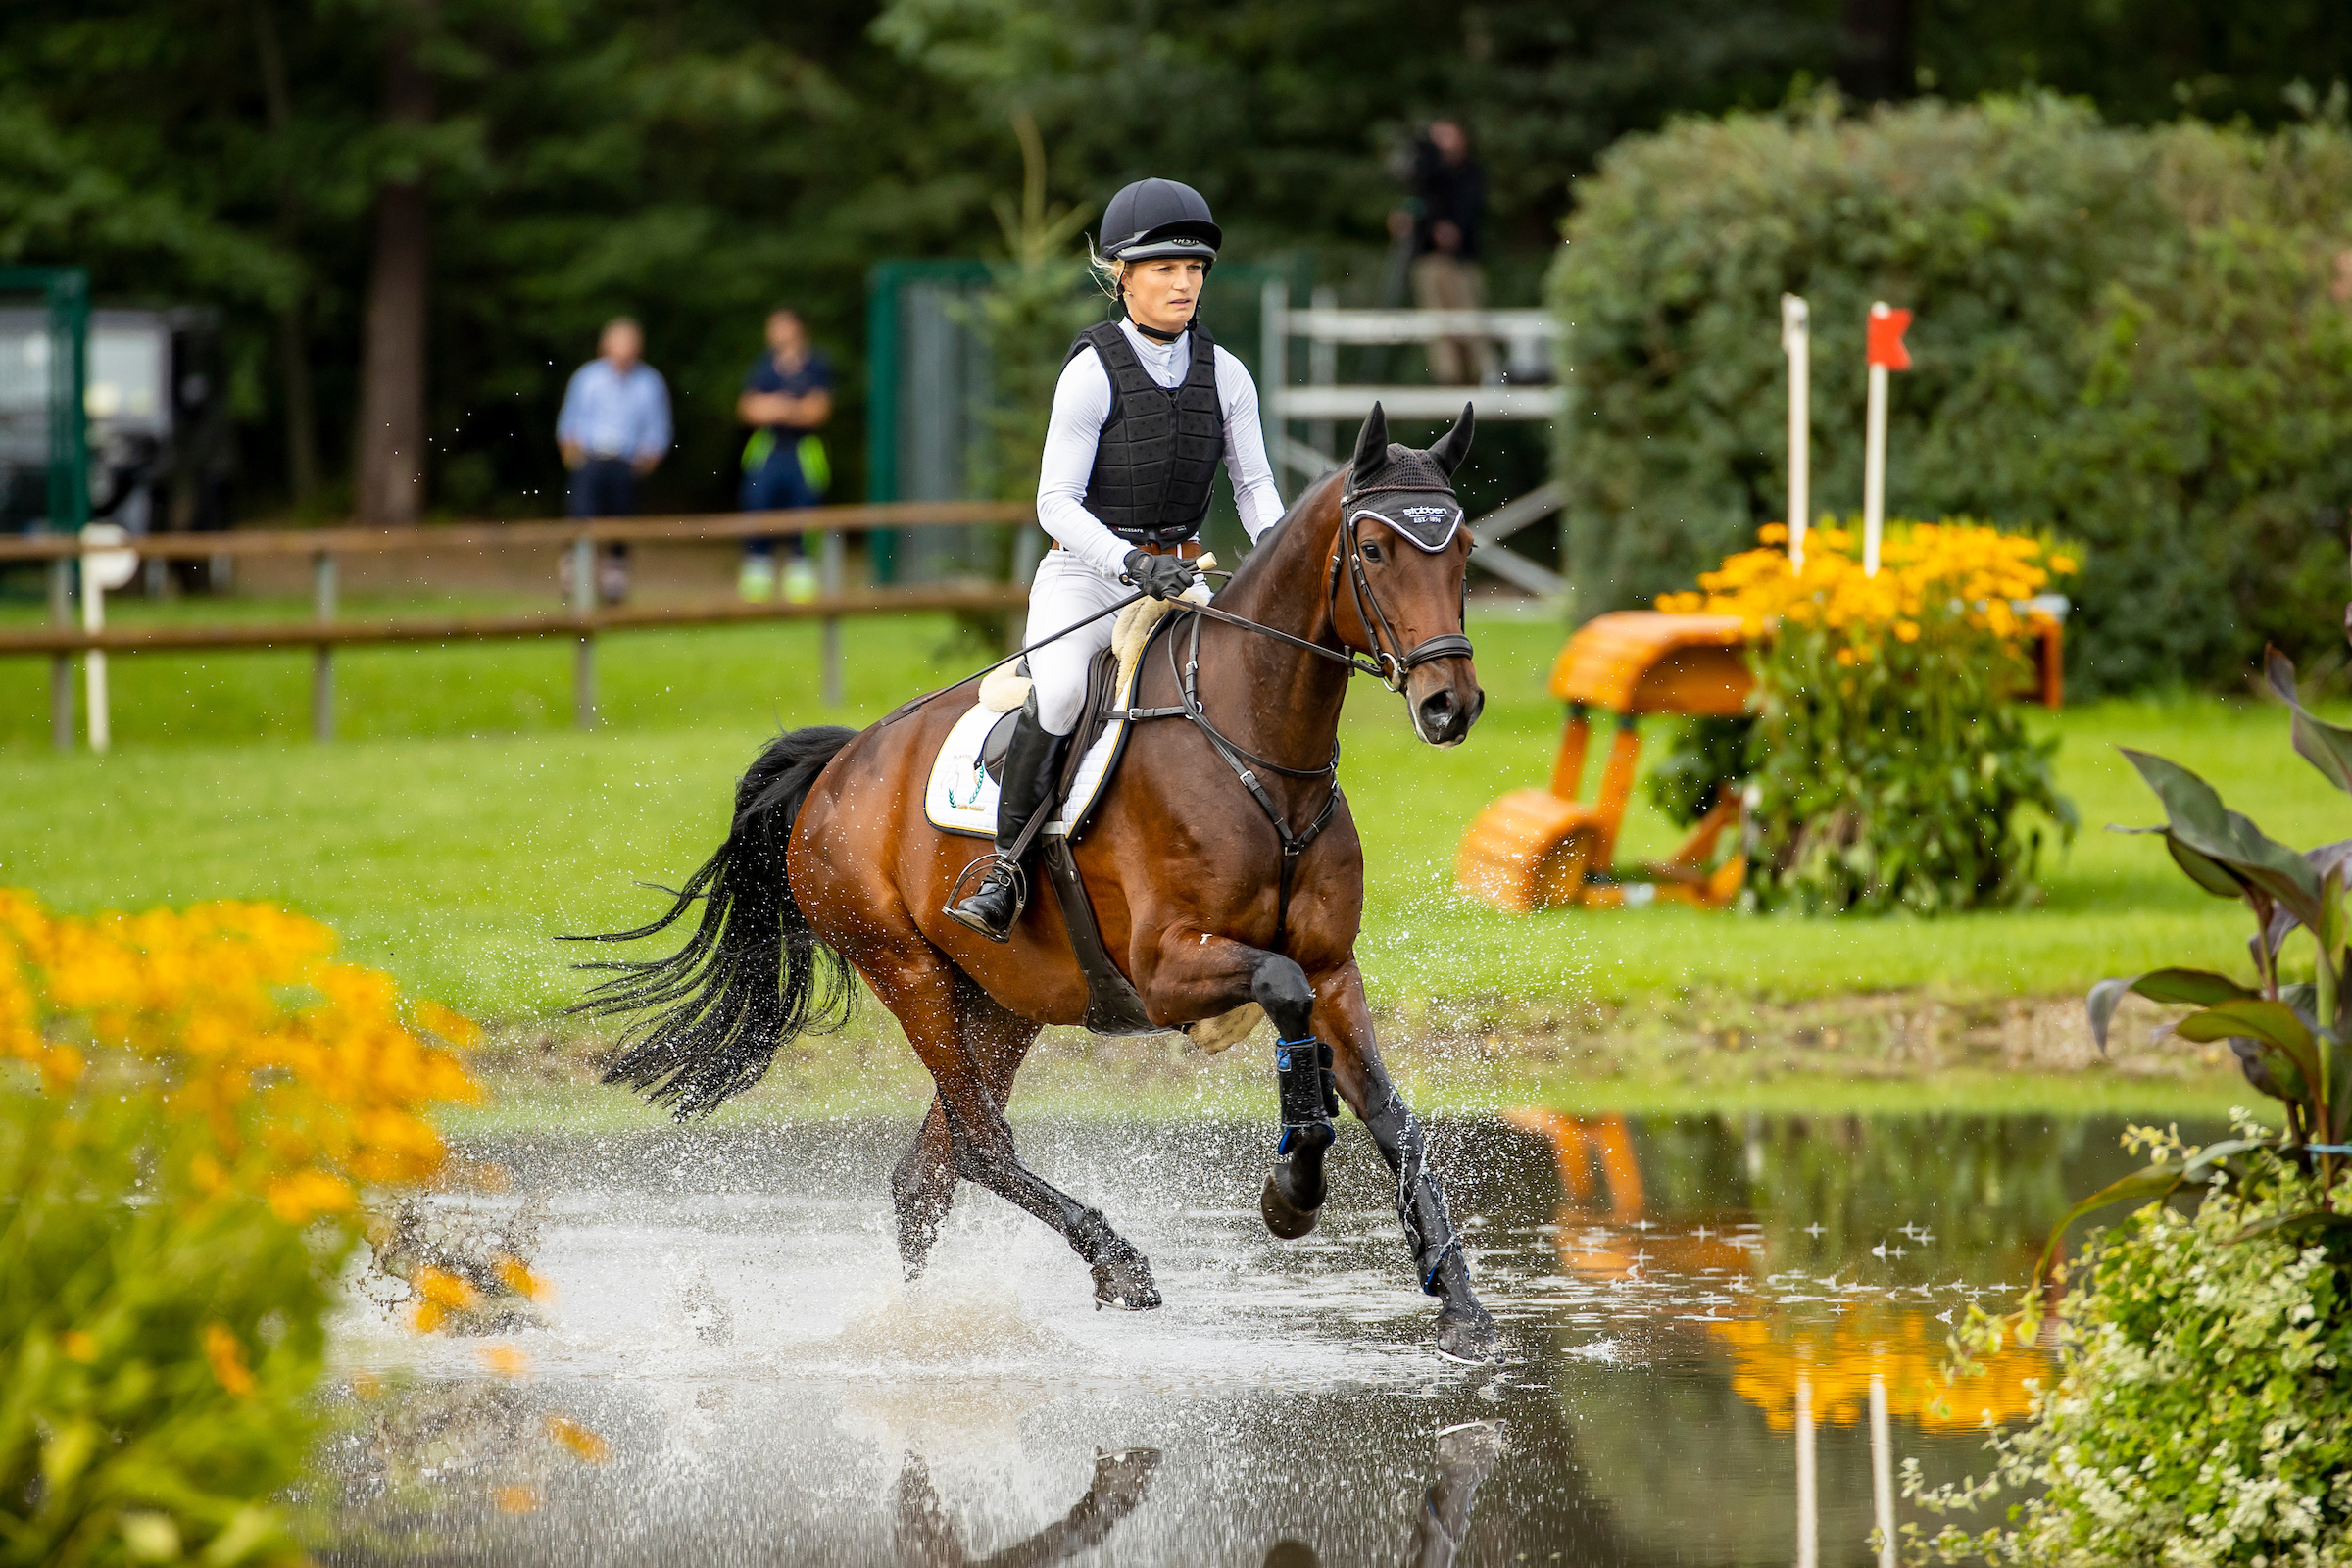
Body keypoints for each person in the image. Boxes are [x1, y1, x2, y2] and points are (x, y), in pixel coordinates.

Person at [945, 176, 1286, 943]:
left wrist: (1283, 563)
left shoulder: (1226, 374)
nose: (1184, 283)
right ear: (1121, 274)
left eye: (1194, 269)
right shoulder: (1092, 370)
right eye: (1165, 268)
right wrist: (1133, 563)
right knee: (1063, 690)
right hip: (1086, 575)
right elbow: (1054, 503)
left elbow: (1258, 490)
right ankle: (1005, 868)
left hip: (1183, 575)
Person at [556, 317, 671, 604]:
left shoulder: (650, 382)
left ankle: (614, 585)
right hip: (590, 460)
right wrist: (573, 458)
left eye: (630, 343)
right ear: (605, 345)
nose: (624, 349)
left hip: (626, 463)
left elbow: (658, 427)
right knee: (580, 518)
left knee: (621, 523)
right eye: (619, 342)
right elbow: (569, 422)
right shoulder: (587, 378)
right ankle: (574, 579)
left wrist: (647, 460)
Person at [736, 307, 834, 603]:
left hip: (804, 452)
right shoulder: (762, 366)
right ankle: (757, 574)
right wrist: (792, 407)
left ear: (798, 329)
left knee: (806, 511)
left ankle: (802, 576)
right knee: (756, 505)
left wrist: (778, 408)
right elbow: (747, 408)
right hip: (767, 451)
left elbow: (818, 411)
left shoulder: (816, 365)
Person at [1390, 120, 1494, 386]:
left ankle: (1484, 372)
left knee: (1468, 317)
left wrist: (1452, 227)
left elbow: (1468, 211)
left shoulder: (1469, 173)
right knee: (1437, 323)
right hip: (1427, 259)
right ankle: (1448, 377)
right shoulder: (1425, 176)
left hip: (1460, 261)